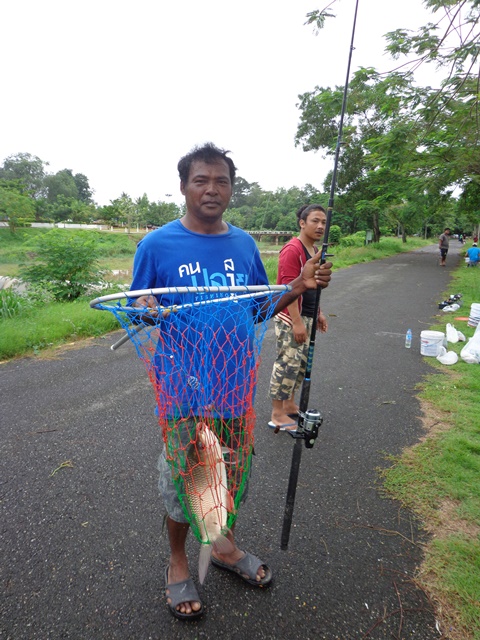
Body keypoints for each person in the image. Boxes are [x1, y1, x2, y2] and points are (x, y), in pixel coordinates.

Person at [128, 143, 332, 619]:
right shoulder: (156, 245)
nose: (211, 189)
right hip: (182, 389)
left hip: (234, 386)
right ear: (183, 186)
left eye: (221, 181)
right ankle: (178, 562)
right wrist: (145, 309)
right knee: (185, 480)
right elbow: (138, 309)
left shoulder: (242, 245)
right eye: (201, 180)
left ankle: (221, 545)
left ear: (232, 189)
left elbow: (257, 307)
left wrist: (298, 287)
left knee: (231, 473)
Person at [268, 204, 329, 431]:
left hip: (308, 315)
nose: (320, 226)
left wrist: (319, 312)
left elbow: (314, 287)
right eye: (315, 221)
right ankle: (277, 413)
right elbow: (288, 289)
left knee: (301, 365)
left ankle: (290, 405)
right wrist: (296, 322)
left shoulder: (315, 250)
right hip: (291, 317)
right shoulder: (293, 249)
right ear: (302, 223)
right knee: (287, 363)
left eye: (323, 222)